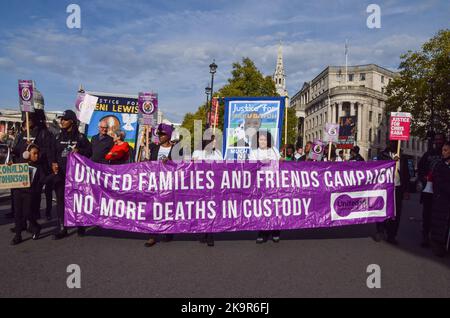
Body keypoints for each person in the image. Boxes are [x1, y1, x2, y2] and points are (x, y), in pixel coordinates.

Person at [52, 110, 92, 240]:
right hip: (61, 174)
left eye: (65, 119)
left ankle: (80, 223)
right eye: (61, 119)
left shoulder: (80, 138)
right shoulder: (57, 137)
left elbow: (90, 152)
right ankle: (63, 227)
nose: (62, 121)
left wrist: (79, 150)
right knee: (61, 200)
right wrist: (53, 163)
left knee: (77, 200)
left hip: (76, 176)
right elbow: (52, 153)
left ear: (72, 122)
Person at [11, 111, 54, 221]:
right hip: (22, 170)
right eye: (25, 119)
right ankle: (21, 224)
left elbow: (48, 152)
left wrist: (34, 149)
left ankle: (33, 223)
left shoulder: (43, 133)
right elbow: (17, 150)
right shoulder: (23, 134)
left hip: (36, 171)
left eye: (29, 119)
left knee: (34, 198)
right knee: (21, 200)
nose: (27, 122)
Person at [145, 123, 178, 247]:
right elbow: (148, 163)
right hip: (154, 183)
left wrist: (170, 162)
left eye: (163, 134)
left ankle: (169, 231)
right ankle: (152, 235)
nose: (160, 136)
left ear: (169, 136)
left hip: (169, 184)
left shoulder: (176, 149)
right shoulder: (153, 147)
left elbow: (182, 165)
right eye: (159, 134)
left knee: (168, 209)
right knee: (152, 208)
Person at [373, 141, 409, 245]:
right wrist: (392, 162)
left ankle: (392, 235)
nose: (393, 144)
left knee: (396, 213)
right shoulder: (382, 155)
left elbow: (406, 173)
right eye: (391, 142)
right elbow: (377, 168)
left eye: (395, 142)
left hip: (397, 188)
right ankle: (380, 230)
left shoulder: (403, 156)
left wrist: (406, 190)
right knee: (381, 209)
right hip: (384, 187)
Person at [248, 130, 281, 244]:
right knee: (262, 209)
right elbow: (251, 167)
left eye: (264, 139)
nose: (262, 141)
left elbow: (279, 165)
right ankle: (262, 232)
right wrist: (260, 163)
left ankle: (275, 231)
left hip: (273, 183)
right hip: (260, 184)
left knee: (274, 208)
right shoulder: (253, 152)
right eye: (260, 139)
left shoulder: (274, 150)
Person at [11, 144, 46, 245]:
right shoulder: (20, 163)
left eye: (37, 154)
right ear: (27, 154)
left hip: (30, 194)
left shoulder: (39, 167)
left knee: (27, 213)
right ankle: (18, 236)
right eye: (34, 153)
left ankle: (36, 226)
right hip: (18, 192)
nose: (36, 156)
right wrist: (9, 166)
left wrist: (55, 175)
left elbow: (43, 179)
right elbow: (12, 171)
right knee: (17, 214)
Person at [192, 136, 223, 247]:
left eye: (215, 141)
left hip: (214, 185)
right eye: (213, 141)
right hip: (201, 185)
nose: (215, 143)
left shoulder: (217, 153)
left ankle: (210, 234)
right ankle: (203, 231)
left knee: (212, 209)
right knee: (202, 209)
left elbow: (221, 167)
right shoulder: (197, 152)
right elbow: (194, 166)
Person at [418, 133, 445, 247]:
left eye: (440, 140)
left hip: (442, 192)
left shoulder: (446, 154)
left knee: (439, 216)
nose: (438, 142)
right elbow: (420, 169)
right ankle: (425, 236)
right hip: (429, 191)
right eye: (436, 140)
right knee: (427, 214)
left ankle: (438, 238)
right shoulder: (428, 154)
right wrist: (424, 178)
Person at [429, 141, 450, 257]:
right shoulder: (439, 166)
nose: (443, 152)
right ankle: (437, 244)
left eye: (446, 150)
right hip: (441, 199)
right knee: (439, 223)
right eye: (443, 150)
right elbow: (438, 182)